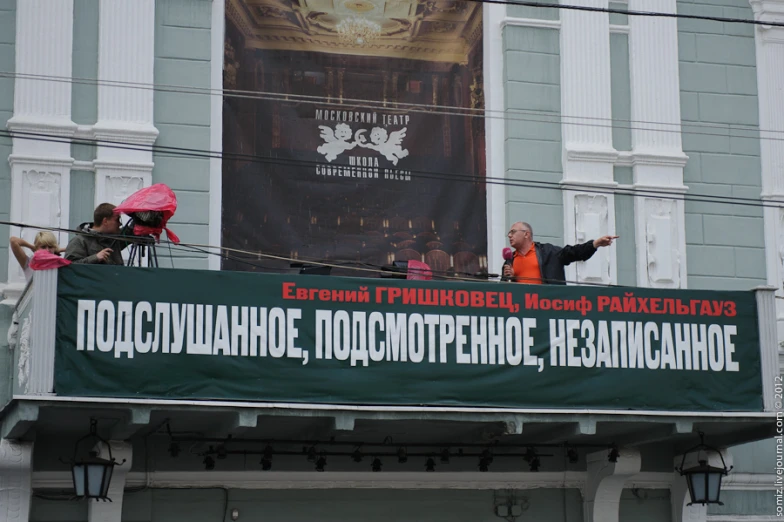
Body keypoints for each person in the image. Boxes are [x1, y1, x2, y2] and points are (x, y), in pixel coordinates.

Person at [502, 222, 618, 285]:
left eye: (513, 232)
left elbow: (573, 252)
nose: (509, 235)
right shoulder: (510, 261)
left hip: (545, 306)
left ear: (526, 234)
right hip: (521, 311)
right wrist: (510, 278)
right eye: (509, 233)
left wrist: (595, 243)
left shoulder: (548, 252)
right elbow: (504, 294)